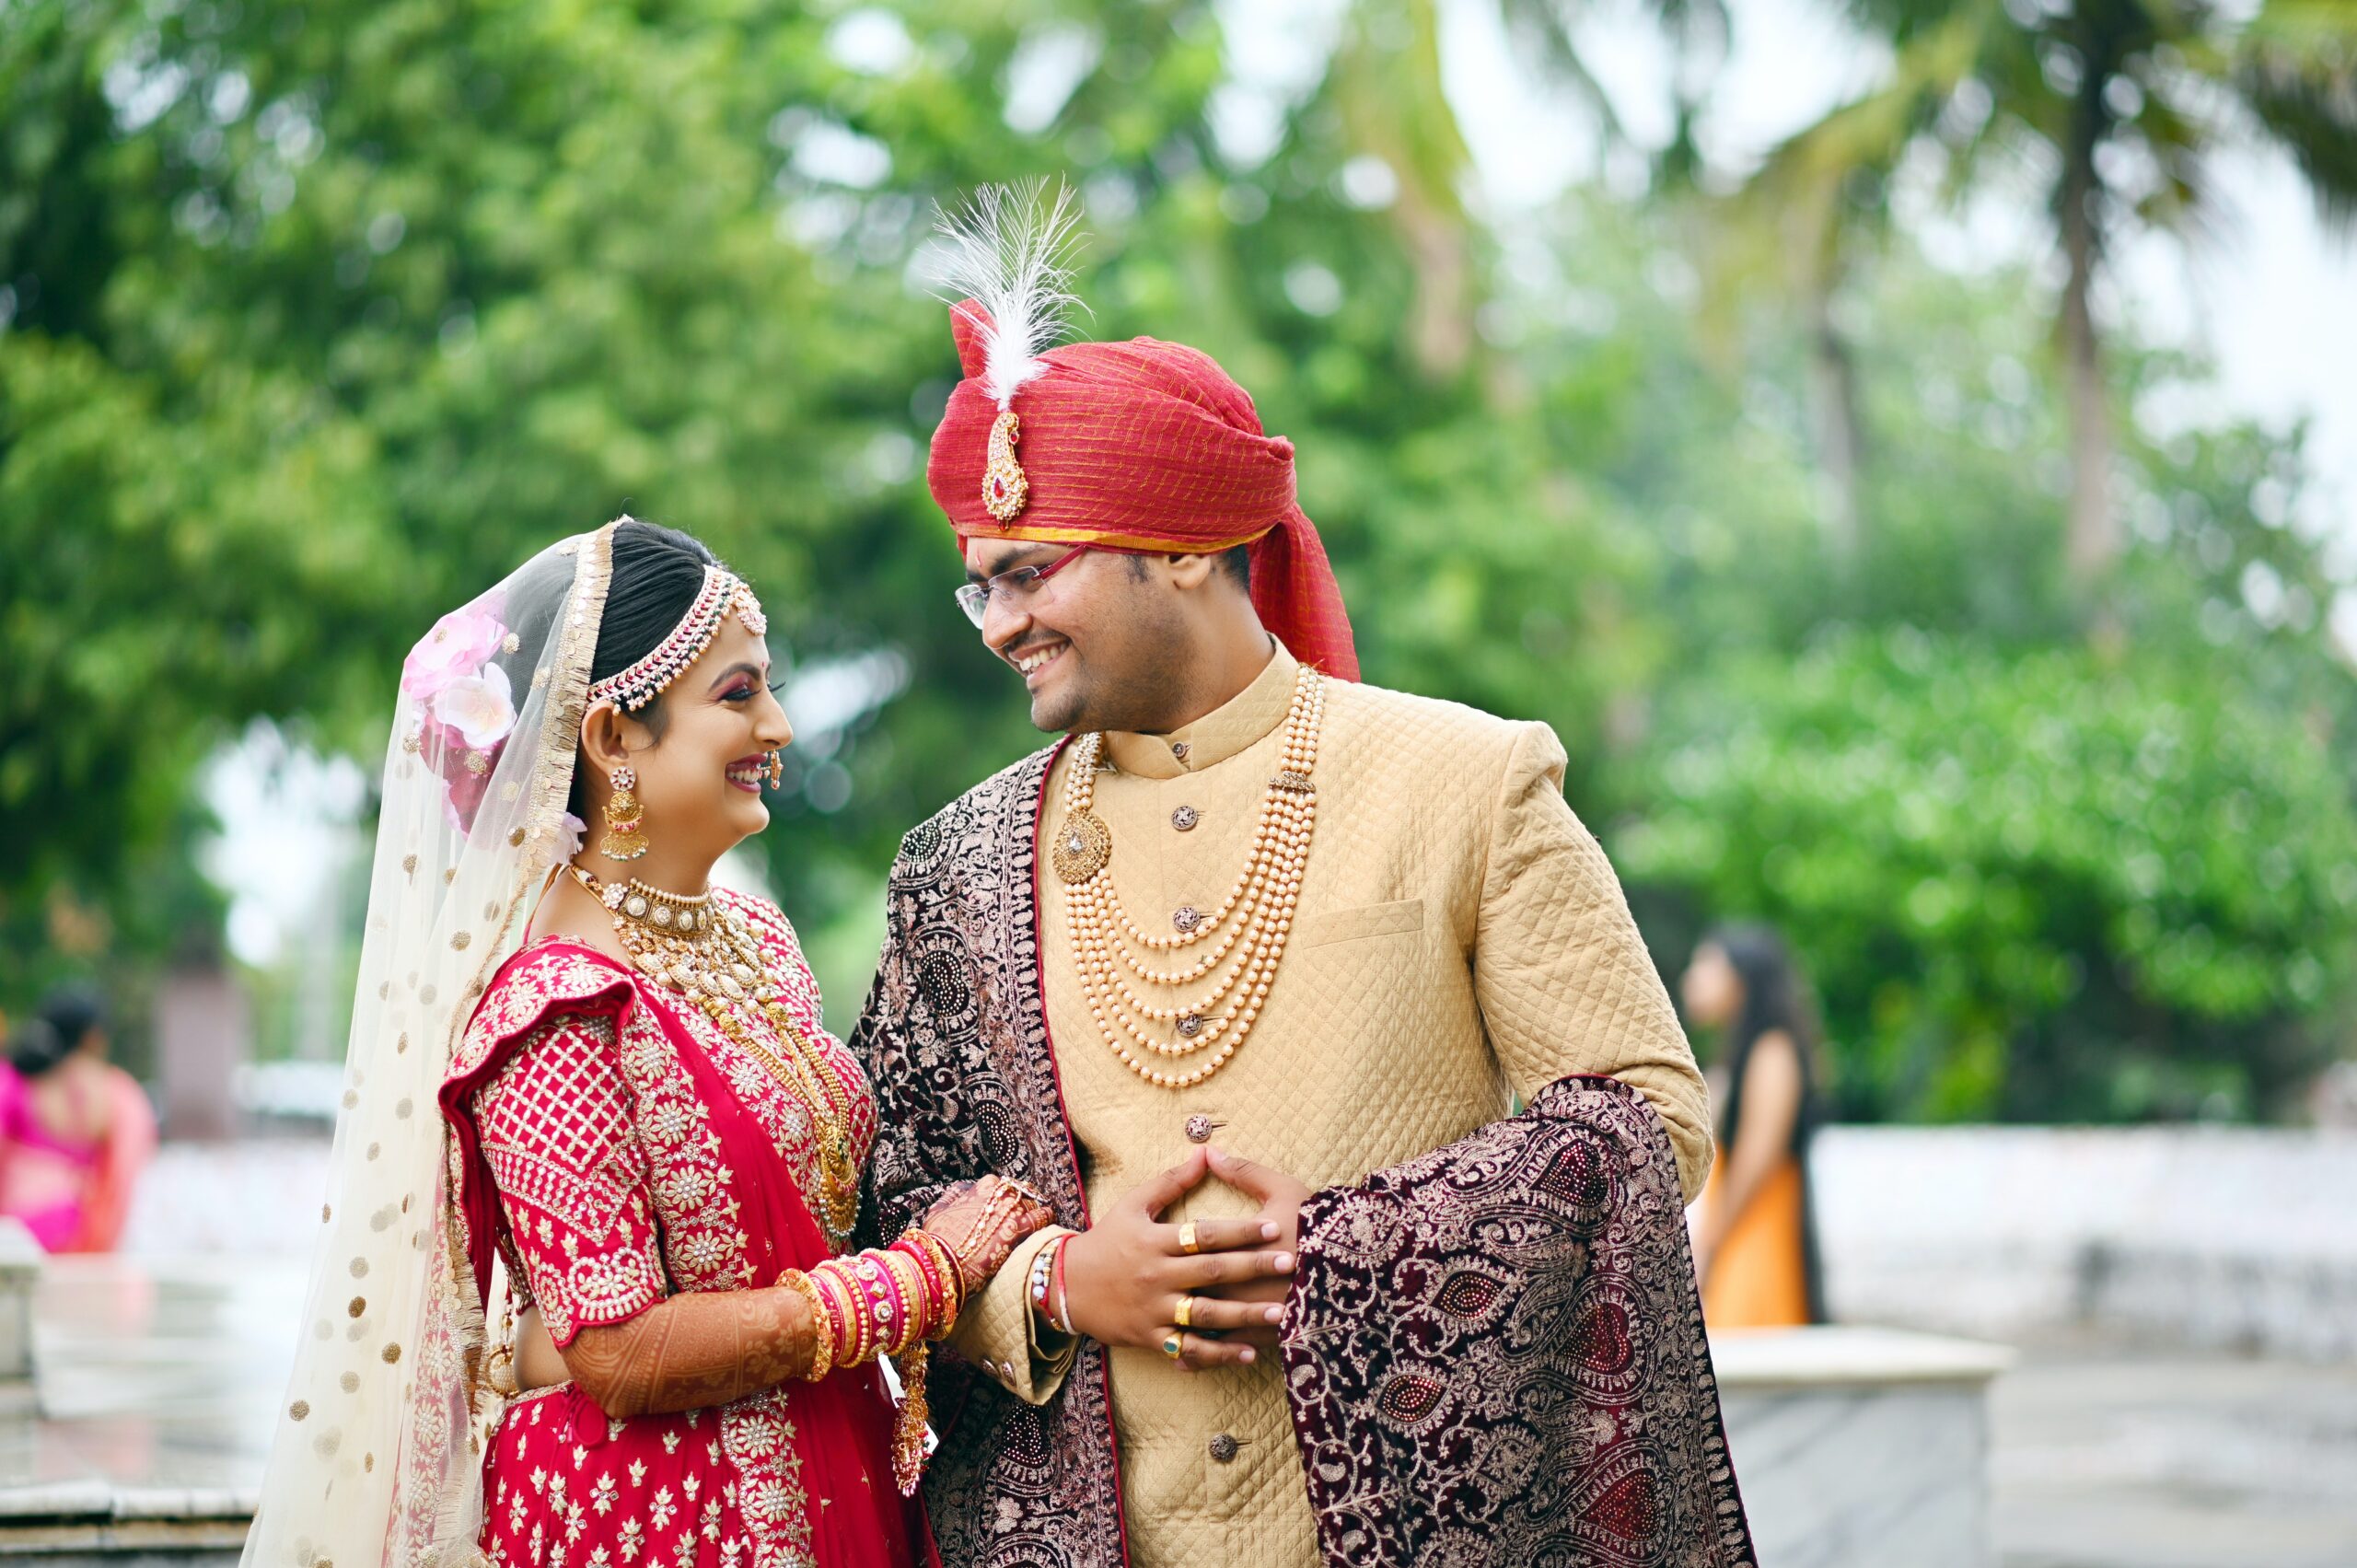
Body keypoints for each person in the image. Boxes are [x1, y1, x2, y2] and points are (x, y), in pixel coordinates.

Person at [851, 188, 1755, 1568]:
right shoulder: (958, 863)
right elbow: (892, 1194)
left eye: (1029, 572)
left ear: (1188, 546)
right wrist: (1055, 1281)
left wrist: (1360, 1249)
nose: (1000, 622)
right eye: (982, 586)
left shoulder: (1467, 778)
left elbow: (1649, 1117)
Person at [246, 517, 1053, 1568]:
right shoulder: (556, 1009)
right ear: (613, 738)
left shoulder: (756, 939)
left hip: (832, 1469)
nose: (779, 722)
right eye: (737, 693)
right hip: (664, 1515)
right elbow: (616, 1350)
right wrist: (915, 1280)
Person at [1680, 924, 1826, 1329]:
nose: (1692, 977)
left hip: (1756, 1231)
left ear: (1741, 979)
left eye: (1706, 965)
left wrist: (1710, 1242)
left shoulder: (1772, 1050)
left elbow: (1757, 1159)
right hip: (1738, 1230)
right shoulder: (1739, 1052)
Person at [0, 988, 156, 1252]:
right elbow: (121, 1176)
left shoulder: (16, 1081)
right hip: (75, 1233)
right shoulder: (118, 1093)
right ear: (93, 1036)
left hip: (14, 1234)